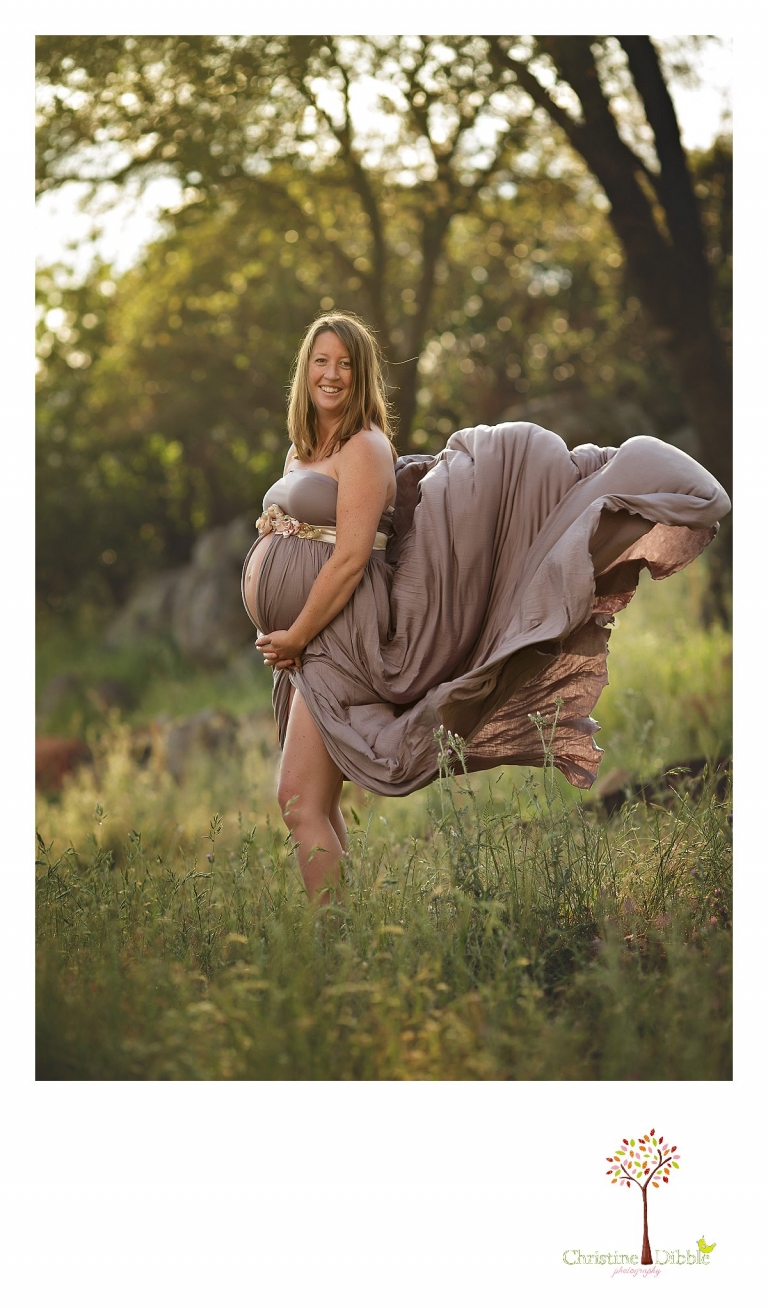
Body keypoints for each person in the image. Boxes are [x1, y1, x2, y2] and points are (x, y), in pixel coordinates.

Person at [242, 311, 730, 899]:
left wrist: (295, 634)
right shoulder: (303, 448)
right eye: (321, 361)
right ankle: (350, 939)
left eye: (346, 364)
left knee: (297, 803)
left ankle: (336, 948)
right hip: (309, 640)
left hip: (337, 636)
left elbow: (349, 559)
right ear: (305, 370)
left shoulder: (365, 447)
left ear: (363, 374)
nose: (332, 374)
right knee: (315, 801)